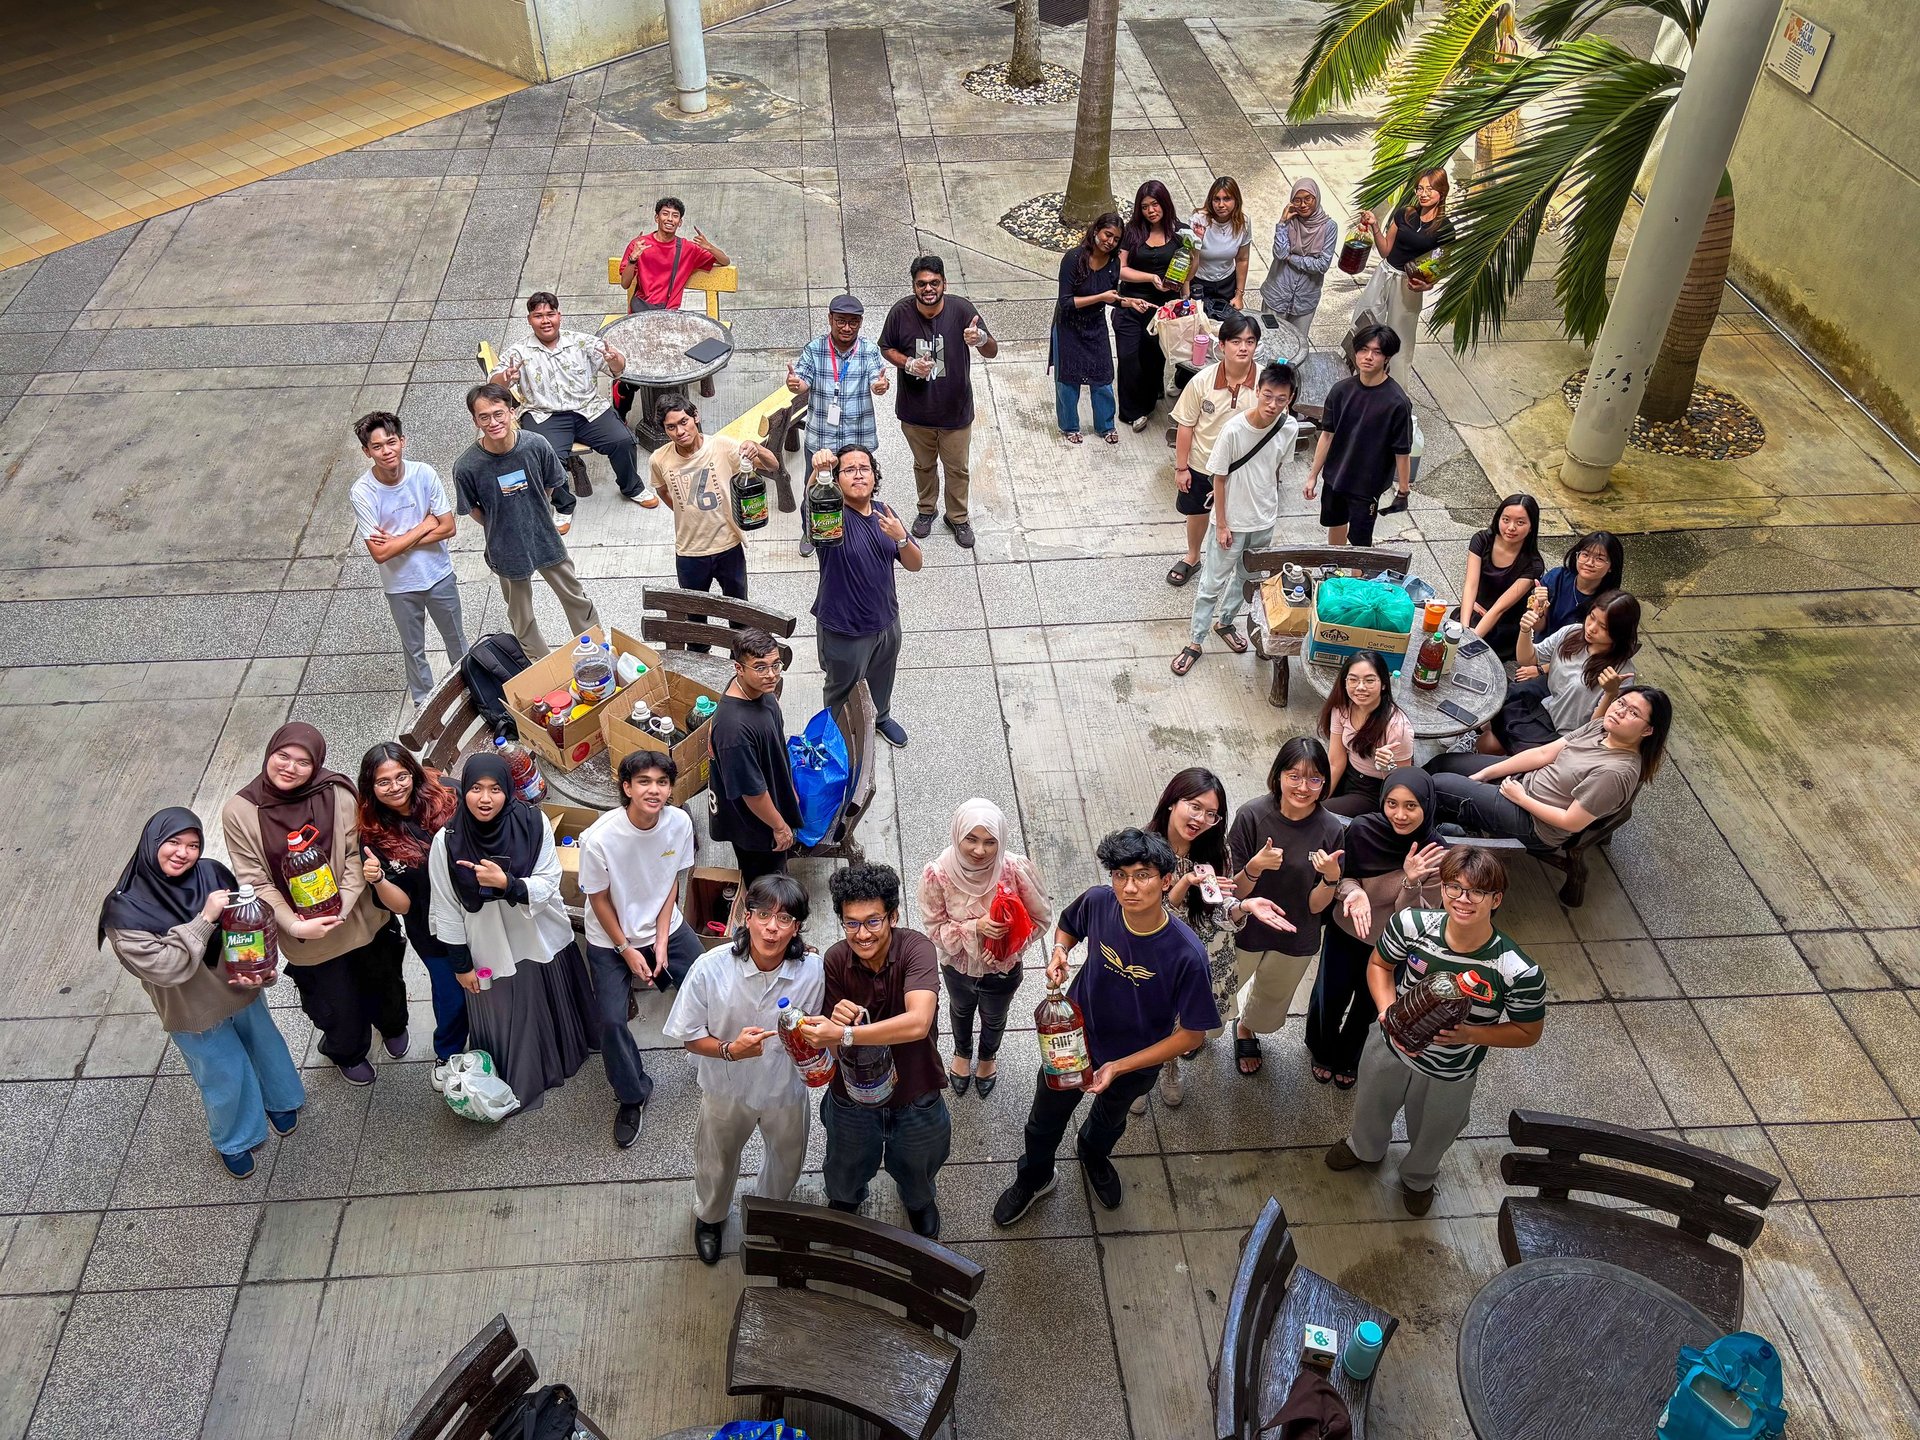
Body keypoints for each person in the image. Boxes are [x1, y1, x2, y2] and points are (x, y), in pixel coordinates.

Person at [992, 829, 1220, 1226]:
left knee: (1109, 1121)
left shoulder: (1187, 953)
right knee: (1043, 1120)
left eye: (1143, 875)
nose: (1129, 887)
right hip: (1073, 1042)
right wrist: (1061, 951)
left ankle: (1093, 1156)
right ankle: (1035, 1177)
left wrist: (1120, 1066)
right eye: (1120, 874)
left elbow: (1191, 1035)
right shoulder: (1100, 902)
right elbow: (1069, 924)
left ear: (1166, 880)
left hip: (1135, 1061)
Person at [1325, 846, 1544, 1215]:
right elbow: (1379, 964)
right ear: (1442, 889)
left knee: (1435, 1131)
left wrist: (1471, 1035)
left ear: (1496, 899)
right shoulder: (1410, 924)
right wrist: (1387, 1009)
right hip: (1390, 1045)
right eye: (1453, 887)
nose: (1463, 899)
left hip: (1450, 1069)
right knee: (1370, 1105)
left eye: (1476, 892)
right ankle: (1365, 1147)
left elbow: (1527, 1031)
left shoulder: (1517, 970)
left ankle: (1418, 1176)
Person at [99, 809, 304, 1179]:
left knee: (265, 1045)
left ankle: (281, 1099)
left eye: (193, 844)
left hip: (240, 986)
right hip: (191, 1006)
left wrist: (262, 969)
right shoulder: (124, 911)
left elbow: (248, 928)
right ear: (151, 843)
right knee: (223, 1073)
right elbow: (166, 967)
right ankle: (237, 1138)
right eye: (173, 842)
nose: (183, 852)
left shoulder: (211, 873)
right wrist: (205, 918)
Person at [221, 723, 406, 1086]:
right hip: (307, 934)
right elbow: (255, 880)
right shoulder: (241, 811)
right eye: (283, 756)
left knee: (385, 981)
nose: (290, 767)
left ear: (317, 764)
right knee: (337, 1004)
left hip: (361, 918)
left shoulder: (336, 793)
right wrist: (293, 925)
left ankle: (393, 1024)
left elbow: (356, 854)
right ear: (269, 754)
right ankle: (348, 1051)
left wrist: (344, 904)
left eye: (303, 762)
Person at [663, 873, 823, 1265]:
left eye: (784, 919)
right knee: (716, 1158)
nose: (771, 927)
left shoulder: (814, 970)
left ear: (798, 926)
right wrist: (731, 1050)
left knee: (787, 1160)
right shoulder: (710, 968)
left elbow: (827, 1024)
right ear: (744, 916)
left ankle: (768, 1218)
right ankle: (710, 1217)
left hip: (785, 1089)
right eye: (763, 914)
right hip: (725, 1086)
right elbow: (688, 1035)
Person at [427, 752, 597, 1113]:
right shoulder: (447, 841)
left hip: (536, 934)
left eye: (494, 789)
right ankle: (523, 1078)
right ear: (464, 791)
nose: (485, 798)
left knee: (547, 995)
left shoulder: (533, 823)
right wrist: (461, 965)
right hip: (488, 944)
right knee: (505, 1011)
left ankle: (564, 1059)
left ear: (508, 790)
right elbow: (445, 907)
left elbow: (549, 882)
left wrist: (508, 884)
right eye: (475, 788)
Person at [799, 864, 949, 1239]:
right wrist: (831, 1025)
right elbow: (828, 1042)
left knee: (919, 1166)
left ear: (893, 916)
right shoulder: (834, 959)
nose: (862, 935)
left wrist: (848, 1032)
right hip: (851, 1096)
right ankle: (846, 1203)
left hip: (915, 1091)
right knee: (844, 1167)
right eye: (851, 923)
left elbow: (917, 1022)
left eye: (873, 922)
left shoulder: (916, 948)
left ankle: (918, 1201)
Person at [1144, 768, 1294, 1108]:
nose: (1201, 819)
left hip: (1202, 956)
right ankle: (1140, 1076)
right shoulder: (1143, 849)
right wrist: (1184, 884)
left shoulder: (1215, 851)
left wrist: (1243, 907)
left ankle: (1168, 1067)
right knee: (1150, 1016)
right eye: (1195, 807)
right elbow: (1147, 916)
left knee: (1181, 1023)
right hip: (1156, 955)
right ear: (1172, 802)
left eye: (1212, 814)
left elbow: (1219, 910)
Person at [579, 750, 704, 1149]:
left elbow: (671, 881)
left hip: (663, 924)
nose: (654, 790)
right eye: (644, 782)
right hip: (610, 936)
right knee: (612, 1022)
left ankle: (716, 1051)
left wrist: (663, 939)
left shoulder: (679, 822)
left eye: (662, 782)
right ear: (626, 787)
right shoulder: (599, 838)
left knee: (709, 979)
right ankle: (633, 1094)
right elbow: (598, 899)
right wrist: (627, 949)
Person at [1307, 769, 1445, 1089]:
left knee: (1369, 1007)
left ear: (1426, 805)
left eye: (1411, 806)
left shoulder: (1435, 854)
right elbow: (1340, 877)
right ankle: (1321, 1048)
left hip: (1390, 946)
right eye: (1392, 803)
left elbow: (1418, 919)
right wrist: (1354, 892)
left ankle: (1349, 1057)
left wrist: (1410, 881)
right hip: (1346, 931)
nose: (1399, 814)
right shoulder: (1363, 828)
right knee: (1330, 994)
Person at [454, 383, 602, 659]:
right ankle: (541, 667)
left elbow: (550, 484)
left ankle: (596, 654)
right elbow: (473, 509)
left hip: (545, 537)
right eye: (483, 417)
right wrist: (502, 523)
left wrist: (535, 512)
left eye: (498, 413)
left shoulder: (536, 445)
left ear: (512, 412)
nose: (493, 422)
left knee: (576, 599)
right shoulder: (467, 466)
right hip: (505, 549)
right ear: (475, 420)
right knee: (522, 616)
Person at [1225, 738, 1344, 1076]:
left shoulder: (1331, 829)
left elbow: (1315, 906)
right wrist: (1255, 866)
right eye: (1294, 776)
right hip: (1245, 924)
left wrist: (1331, 879)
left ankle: (1246, 1027)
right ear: (1278, 776)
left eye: (1314, 779)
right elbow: (1232, 890)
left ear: (1324, 784)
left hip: (1296, 932)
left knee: (1273, 993)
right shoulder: (1252, 815)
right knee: (1221, 985)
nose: (1303, 787)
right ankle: (1200, 1029)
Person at [918, 798, 1051, 1100]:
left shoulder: (1014, 870)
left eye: (991, 842)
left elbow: (1040, 919)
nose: (980, 851)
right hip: (957, 967)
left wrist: (1008, 949)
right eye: (971, 839)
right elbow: (934, 929)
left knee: (995, 1016)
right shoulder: (937, 875)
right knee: (960, 1009)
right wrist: (974, 928)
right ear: (957, 835)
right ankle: (962, 1052)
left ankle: (988, 1057)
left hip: (1002, 971)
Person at [1428, 686, 1672, 848]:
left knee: (1438, 786)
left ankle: (1426, 832)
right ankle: (1429, 810)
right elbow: (1545, 752)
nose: (1619, 712)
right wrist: (1486, 773)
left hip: (1534, 822)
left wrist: (1521, 798)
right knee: (1444, 763)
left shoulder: (1614, 773)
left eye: (1633, 713)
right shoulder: (1601, 727)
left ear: (1648, 730)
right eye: (1621, 703)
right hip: (1522, 780)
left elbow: (1571, 822)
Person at [1173, 361, 1299, 672]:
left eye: (1280, 399)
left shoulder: (1289, 427)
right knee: (1211, 583)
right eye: (1267, 395)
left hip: (1264, 519)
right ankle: (1195, 640)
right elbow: (1219, 477)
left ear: (1291, 398)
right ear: (1257, 391)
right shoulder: (1233, 430)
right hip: (1231, 521)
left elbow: (1276, 468)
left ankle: (1225, 622)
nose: (1272, 404)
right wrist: (1222, 523)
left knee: (1247, 578)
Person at [356, 743, 467, 1084]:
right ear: (370, 788)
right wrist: (376, 881)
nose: (395, 787)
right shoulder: (373, 837)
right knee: (450, 995)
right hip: (431, 928)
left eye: (401, 776)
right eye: (383, 782)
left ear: (413, 772)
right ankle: (447, 1053)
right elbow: (403, 906)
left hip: (479, 911)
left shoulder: (448, 794)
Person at [807, 444, 923, 748]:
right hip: (845, 628)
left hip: (886, 620)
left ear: (874, 475)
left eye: (864, 468)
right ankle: (834, 734)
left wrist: (900, 538)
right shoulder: (830, 515)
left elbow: (915, 564)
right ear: (836, 479)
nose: (858, 474)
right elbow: (812, 503)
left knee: (883, 675)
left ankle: (880, 716)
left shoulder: (885, 513)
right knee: (840, 687)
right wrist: (817, 472)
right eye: (849, 469)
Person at [877, 254, 996, 548]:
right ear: (914, 286)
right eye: (921, 284)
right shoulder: (900, 312)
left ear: (944, 283)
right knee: (924, 465)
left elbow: (992, 350)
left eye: (934, 283)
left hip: (955, 412)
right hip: (915, 413)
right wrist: (908, 364)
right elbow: (886, 347)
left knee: (957, 468)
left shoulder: (961, 310)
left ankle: (957, 517)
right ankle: (926, 510)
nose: (928, 289)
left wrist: (979, 338)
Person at [349, 411, 466, 706]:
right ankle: (423, 705)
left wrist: (399, 541)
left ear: (402, 441)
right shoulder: (362, 492)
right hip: (400, 585)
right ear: (367, 452)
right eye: (377, 447)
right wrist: (425, 525)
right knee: (414, 650)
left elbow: (448, 528)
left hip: (438, 575)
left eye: (391, 442)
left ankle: (471, 689)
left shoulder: (423, 474)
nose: (386, 451)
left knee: (457, 642)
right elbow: (380, 553)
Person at [492, 293, 649, 507]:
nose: (545, 320)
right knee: (547, 457)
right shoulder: (518, 351)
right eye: (538, 316)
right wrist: (506, 377)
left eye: (550, 314)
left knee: (623, 441)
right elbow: (494, 385)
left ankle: (633, 487)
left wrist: (616, 360)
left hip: (588, 409)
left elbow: (618, 370)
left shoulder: (581, 342)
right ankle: (563, 505)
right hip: (544, 414)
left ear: (559, 316)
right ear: (530, 320)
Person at [649, 392, 779, 633]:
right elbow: (662, 490)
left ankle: (738, 658)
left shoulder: (722, 446)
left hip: (728, 546)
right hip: (689, 551)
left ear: (695, 417)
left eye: (684, 422)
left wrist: (756, 448)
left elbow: (773, 465)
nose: (680, 432)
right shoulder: (659, 459)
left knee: (739, 610)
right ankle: (699, 657)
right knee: (695, 618)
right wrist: (686, 510)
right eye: (671, 427)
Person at [1464, 590, 1640, 759]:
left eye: (1603, 627)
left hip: (1564, 735)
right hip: (1546, 707)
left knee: (1489, 743)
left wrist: (1610, 693)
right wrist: (1525, 630)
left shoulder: (1621, 673)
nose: (1591, 628)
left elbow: (1597, 727)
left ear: (1619, 632)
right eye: (1591, 617)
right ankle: (1474, 749)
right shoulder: (1572, 633)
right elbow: (1528, 658)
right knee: (1489, 722)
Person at [1167, 312, 1264, 588]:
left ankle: (1239, 566)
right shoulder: (1202, 381)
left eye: (1250, 341)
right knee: (1196, 513)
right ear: (1221, 345)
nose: (1243, 348)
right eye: (1236, 341)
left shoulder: (1264, 386)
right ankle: (1192, 556)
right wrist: (1182, 467)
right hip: (1203, 465)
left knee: (1242, 520)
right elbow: (1186, 425)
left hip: (1243, 469)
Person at [1301, 324, 1414, 546]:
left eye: (1377, 352)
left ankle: (1357, 580)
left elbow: (1402, 451)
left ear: (1387, 358)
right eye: (1363, 349)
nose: (1368, 357)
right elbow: (1326, 435)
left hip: (1367, 486)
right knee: (1335, 524)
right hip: (1335, 476)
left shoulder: (1397, 403)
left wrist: (1403, 490)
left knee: (1361, 541)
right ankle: (1334, 573)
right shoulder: (1341, 390)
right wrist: (1313, 475)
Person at [709, 628, 802, 884]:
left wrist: (788, 786)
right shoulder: (735, 731)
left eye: (775, 665)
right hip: (756, 827)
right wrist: (780, 828)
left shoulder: (753, 688)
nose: (771, 675)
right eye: (760, 667)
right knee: (767, 885)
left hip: (774, 798)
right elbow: (753, 793)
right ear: (739, 668)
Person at [1051, 211, 1139, 444]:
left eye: (1115, 239)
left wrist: (1130, 302)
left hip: (1095, 324)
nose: (1109, 241)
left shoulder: (1113, 262)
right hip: (1068, 325)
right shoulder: (1074, 258)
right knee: (1068, 380)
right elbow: (1066, 302)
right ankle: (1070, 426)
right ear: (1096, 231)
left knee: (1102, 378)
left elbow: (1113, 296)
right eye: (1107, 234)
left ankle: (1105, 426)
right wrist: (1102, 297)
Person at [1352, 168, 1455, 365]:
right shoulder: (1405, 214)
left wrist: (1427, 285)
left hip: (1408, 283)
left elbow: (1440, 266)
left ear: (1442, 192)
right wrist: (1374, 225)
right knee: (1363, 325)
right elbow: (1386, 251)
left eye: (1430, 189)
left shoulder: (1445, 228)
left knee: (1400, 340)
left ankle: (1395, 390)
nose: (1423, 194)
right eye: (1419, 188)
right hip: (1384, 274)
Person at [1114, 180, 1186, 432]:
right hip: (1132, 304)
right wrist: (1150, 278)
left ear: (1164, 203)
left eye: (1155, 204)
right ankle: (1132, 412)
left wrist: (1185, 303)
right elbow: (1120, 270)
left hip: (1162, 310)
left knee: (1154, 358)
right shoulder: (1132, 232)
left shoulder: (1180, 233)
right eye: (1144, 207)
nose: (1150, 211)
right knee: (1128, 356)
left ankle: (1150, 395)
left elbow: (1188, 272)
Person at [788, 293, 890, 457]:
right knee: (814, 483)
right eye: (841, 321)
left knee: (858, 482)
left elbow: (877, 381)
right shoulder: (814, 348)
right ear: (830, 319)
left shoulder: (869, 350)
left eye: (853, 322)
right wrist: (794, 385)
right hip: (821, 439)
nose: (847, 328)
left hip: (858, 439)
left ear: (861, 322)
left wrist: (881, 386)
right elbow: (801, 383)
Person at [1318, 649, 1415, 817]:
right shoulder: (1342, 708)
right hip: (1347, 772)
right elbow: (1335, 762)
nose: (1360, 687)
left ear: (1384, 684)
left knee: (1319, 816)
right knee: (1300, 800)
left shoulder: (1397, 727)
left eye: (1370, 680)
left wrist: (1386, 766)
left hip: (1373, 789)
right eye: (1353, 680)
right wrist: (1318, 797)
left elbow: (1401, 786)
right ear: (1345, 682)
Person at [1459, 493, 1546, 661]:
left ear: (1531, 526)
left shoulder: (1533, 564)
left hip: (1503, 625)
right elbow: (1471, 585)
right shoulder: (1482, 540)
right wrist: (1464, 628)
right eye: (1506, 519)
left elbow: (1501, 607)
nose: (1511, 527)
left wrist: (1470, 640)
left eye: (1520, 522)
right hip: (1475, 612)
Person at [620, 196, 728, 313]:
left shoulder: (688, 248)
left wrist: (709, 247)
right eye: (665, 214)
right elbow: (625, 284)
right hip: (641, 311)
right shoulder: (639, 245)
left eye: (675, 216)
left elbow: (725, 261)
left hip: (669, 314)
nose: (670, 219)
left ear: (680, 222)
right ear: (657, 218)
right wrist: (633, 259)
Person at [1259, 177, 1338, 336]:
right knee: (1269, 339)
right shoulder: (1290, 222)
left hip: (1305, 298)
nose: (1303, 205)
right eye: (1297, 200)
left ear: (1316, 197)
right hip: (1277, 292)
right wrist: (1282, 222)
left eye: (1308, 199)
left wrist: (1291, 258)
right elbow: (1280, 253)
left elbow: (1322, 265)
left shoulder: (1329, 227)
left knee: (1297, 343)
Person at [1534, 530, 1626, 636]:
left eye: (1599, 559)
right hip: (1544, 647)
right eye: (1585, 554)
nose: (1589, 563)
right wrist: (1539, 609)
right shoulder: (1556, 578)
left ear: (1611, 566)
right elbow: (1538, 627)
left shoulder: (1610, 601)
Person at [1187, 175, 1252, 314]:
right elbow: (1188, 259)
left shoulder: (1244, 222)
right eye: (1217, 199)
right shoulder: (1199, 220)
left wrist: (1239, 295)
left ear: (1236, 200)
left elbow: (1242, 259)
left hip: (1226, 283)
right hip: (1199, 282)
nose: (1221, 205)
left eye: (1227, 199)